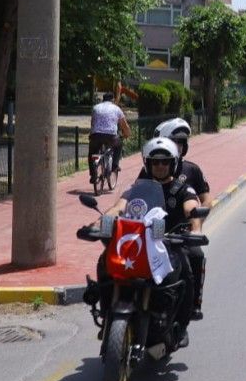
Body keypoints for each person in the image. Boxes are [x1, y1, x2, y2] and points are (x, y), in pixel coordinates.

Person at [98, 137, 202, 347]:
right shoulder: (138, 187)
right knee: (104, 262)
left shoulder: (183, 188)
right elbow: (119, 206)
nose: (160, 166)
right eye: (155, 162)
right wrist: (101, 220)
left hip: (170, 243)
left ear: (173, 163)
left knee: (188, 270)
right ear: (148, 164)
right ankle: (106, 311)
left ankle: (182, 324)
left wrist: (195, 227)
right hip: (138, 244)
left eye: (164, 162)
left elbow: (191, 206)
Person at [141, 117, 210, 320]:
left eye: (181, 142)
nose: (160, 166)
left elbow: (204, 201)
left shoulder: (191, 170)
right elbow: (132, 199)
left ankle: (191, 307)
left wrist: (195, 227)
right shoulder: (147, 172)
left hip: (178, 235)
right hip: (148, 234)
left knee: (195, 256)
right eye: (174, 141)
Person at [88, 92, 130, 185]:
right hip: (111, 137)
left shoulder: (95, 108)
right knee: (119, 144)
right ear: (113, 99)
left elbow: (92, 123)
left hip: (96, 135)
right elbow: (124, 125)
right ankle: (115, 166)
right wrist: (126, 134)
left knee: (92, 153)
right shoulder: (116, 109)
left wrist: (91, 134)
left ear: (103, 99)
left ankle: (93, 175)